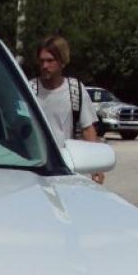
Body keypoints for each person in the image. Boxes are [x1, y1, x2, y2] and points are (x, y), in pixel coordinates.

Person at [30, 35, 104, 184]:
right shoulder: (29, 90)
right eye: (42, 61)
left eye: (50, 61)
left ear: (62, 62)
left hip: (66, 168)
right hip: (35, 169)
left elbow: (88, 129)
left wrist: (97, 167)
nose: (45, 66)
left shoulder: (75, 90)